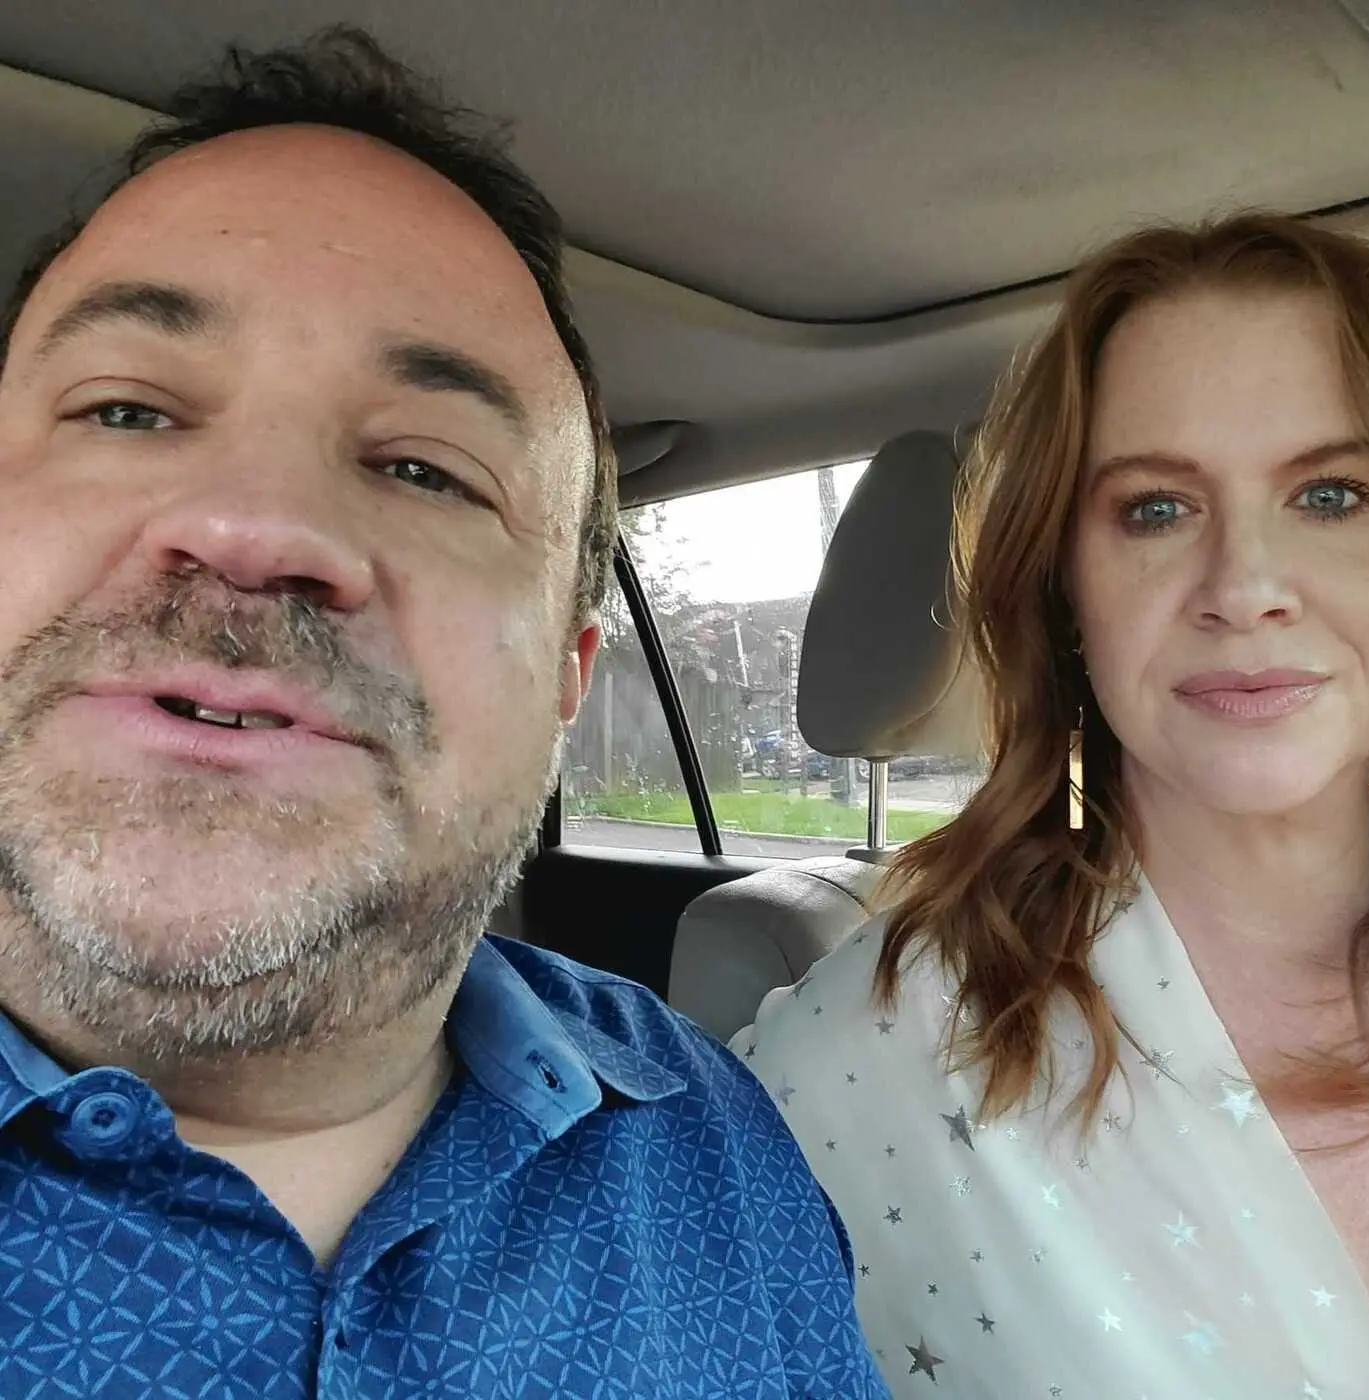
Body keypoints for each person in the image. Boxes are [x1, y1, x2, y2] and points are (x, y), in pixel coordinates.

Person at [0, 28, 889, 1399]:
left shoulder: (713, 1133)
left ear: (567, 679)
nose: (256, 527)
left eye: (425, 470)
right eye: (126, 410)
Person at [734, 211, 1369, 1397]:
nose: (1244, 586)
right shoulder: (875, 1054)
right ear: (1063, 593)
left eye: (1330, 493)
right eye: (1154, 508)